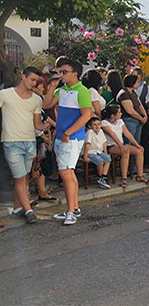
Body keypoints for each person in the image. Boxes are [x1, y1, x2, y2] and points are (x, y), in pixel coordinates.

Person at [42, 59, 91, 225]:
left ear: (74, 73)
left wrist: (68, 132)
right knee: (69, 173)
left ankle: (71, 211)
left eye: (64, 72)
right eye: (59, 71)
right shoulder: (62, 90)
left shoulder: (82, 91)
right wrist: (53, 87)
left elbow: (87, 115)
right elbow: (46, 104)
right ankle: (74, 208)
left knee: (66, 173)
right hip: (64, 137)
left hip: (71, 138)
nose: (60, 74)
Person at [0, 66, 48, 224]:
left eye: (37, 81)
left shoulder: (36, 99)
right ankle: (28, 211)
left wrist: (44, 127)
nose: (34, 83)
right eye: (32, 79)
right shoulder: (5, 94)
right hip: (11, 142)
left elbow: (36, 124)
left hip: (30, 142)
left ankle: (17, 208)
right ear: (23, 77)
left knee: (23, 177)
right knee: (20, 178)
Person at [101, 104, 149, 187]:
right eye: (119, 113)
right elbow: (112, 135)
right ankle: (124, 179)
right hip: (111, 145)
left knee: (139, 151)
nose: (121, 114)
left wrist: (137, 145)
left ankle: (140, 175)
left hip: (121, 144)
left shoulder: (120, 121)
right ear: (113, 115)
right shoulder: (104, 123)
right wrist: (121, 146)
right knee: (125, 152)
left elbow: (127, 133)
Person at [83, 117, 112, 189]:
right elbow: (87, 144)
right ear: (90, 126)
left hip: (98, 151)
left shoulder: (101, 131)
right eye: (94, 125)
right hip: (90, 152)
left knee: (108, 159)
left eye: (98, 124)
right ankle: (100, 177)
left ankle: (103, 177)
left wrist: (105, 153)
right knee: (100, 161)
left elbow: (104, 143)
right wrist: (85, 156)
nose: (97, 126)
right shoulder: (90, 132)